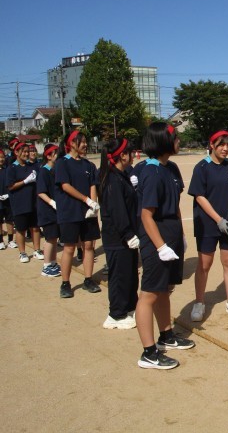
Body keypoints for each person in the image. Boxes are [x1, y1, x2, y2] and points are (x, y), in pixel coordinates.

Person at [135, 122, 194, 370]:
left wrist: (180, 235)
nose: (179, 141)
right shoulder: (150, 172)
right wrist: (160, 246)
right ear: (163, 141)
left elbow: (176, 205)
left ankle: (166, 334)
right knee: (149, 293)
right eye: (176, 138)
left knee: (164, 290)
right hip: (156, 240)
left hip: (172, 235)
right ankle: (149, 353)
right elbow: (146, 214)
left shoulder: (171, 168)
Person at [188, 131, 228, 322]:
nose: (225, 148)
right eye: (221, 144)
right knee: (204, 264)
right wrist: (218, 219)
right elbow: (199, 196)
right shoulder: (202, 167)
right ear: (212, 145)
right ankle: (199, 302)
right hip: (207, 224)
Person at [55, 131, 102, 297]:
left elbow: (93, 185)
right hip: (70, 211)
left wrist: (93, 205)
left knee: (89, 246)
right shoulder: (62, 163)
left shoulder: (88, 165)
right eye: (82, 142)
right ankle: (65, 283)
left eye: (85, 141)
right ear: (72, 144)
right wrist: (86, 200)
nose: (85, 145)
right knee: (69, 247)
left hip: (87, 212)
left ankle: (88, 279)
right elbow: (65, 186)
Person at [98, 138, 139, 330]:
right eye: (131, 152)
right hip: (117, 238)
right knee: (119, 276)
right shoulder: (112, 179)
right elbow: (117, 210)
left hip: (126, 236)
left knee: (130, 274)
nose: (134, 156)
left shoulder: (121, 175)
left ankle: (129, 308)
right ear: (122, 155)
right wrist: (127, 234)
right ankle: (115, 314)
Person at [6, 142, 43, 263]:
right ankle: (22, 252)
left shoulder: (32, 166)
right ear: (16, 152)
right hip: (19, 204)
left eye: (28, 151)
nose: (27, 154)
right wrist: (25, 181)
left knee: (35, 228)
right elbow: (10, 186)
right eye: (24, 152)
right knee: (21, 229)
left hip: (33, 202)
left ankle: (37, 250)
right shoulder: (12, 168)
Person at [36, 144, 61, 278]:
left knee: (54, 237)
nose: (58, 156)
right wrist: (52, 202)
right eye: (55, 153)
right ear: (49, 156)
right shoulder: (43, 171)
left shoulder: (54, 170)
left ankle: (53, 262)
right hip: (47, 210)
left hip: (55, 210)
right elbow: (41, 192)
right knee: (50, 238)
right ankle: (46, 266)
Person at [0, 149, 16, 250]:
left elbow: (11, 183)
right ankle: (1, 241)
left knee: (9, 220)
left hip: (7, 199)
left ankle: (10, 240)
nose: (1, 159)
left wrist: (9, 194)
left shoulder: (7, 170)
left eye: (2, 157)